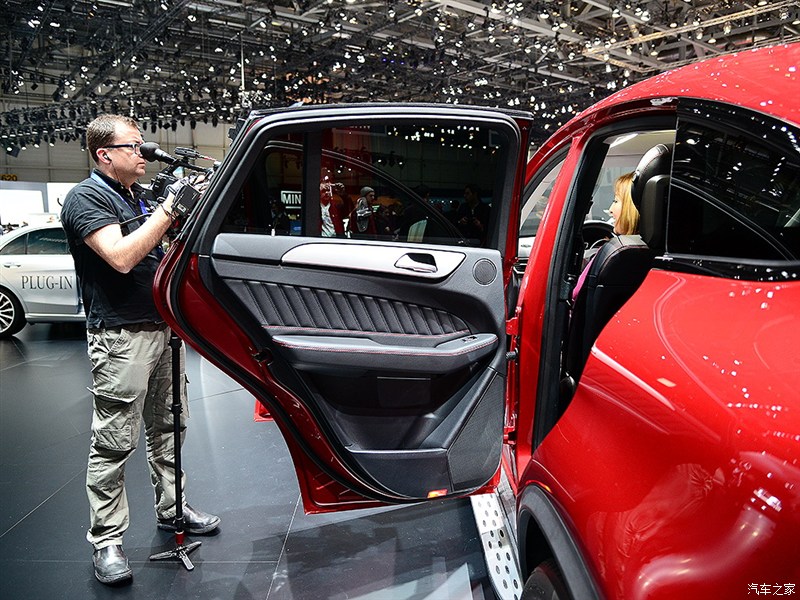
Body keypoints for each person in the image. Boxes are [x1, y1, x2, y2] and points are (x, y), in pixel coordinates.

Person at [60, 114, 219, 586]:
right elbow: (122, 256)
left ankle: (173, 509)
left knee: (170, 427)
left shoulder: (137, 197)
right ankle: (107, 540)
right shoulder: (86, 197)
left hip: (163, 328)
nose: (143, 152)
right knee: (114, 441)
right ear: (105, 154)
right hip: (121, 336)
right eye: (133, 146)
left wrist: (181, 213)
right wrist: (168, 210)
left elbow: (162, 250)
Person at [572, 172, 638, 301]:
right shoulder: (665, 254)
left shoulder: (612, 251)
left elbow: (576, 295)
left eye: (616, 201)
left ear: (632, 208)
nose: (611, 209)